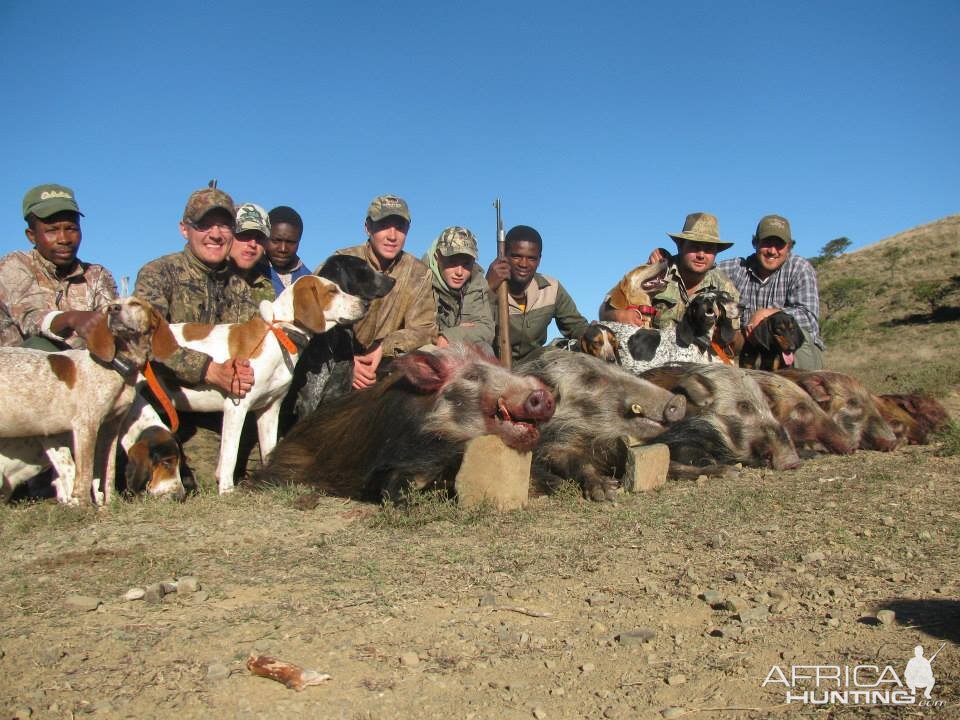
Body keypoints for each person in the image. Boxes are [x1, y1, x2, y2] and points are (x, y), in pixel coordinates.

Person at [134, 183, 256, 397]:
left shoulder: (242, 290)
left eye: (225, 225)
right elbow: (143, 338)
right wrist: (208, 370)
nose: (216, 234)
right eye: (204, 225)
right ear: (184, 229)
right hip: (166, 405)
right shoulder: (159, 273)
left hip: (226, 405)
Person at [324, 194, 436, 389]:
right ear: (368, 227)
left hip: (387, 364)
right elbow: (318, 320)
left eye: (400, 227)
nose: (392, 236)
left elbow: (424, 329)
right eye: (384, 225)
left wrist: (384, 346)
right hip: (338, 362)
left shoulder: (419, 273)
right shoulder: (341, 261)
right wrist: (346, 363)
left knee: (430, 355)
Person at [0, 184, 117, 350]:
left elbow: (112, 324)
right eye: (52, 230)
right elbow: (30, 318)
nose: (64, 239)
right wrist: (72, 318)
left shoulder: (96, 275)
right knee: (40, 344)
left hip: (84, 369)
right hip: (21, 370)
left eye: (71, 229)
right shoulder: (14, 265)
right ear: (31, 236)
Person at [717, 214, 825, 370]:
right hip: (751, 347)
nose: (772, 251)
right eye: (767, 243)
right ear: (755, 243)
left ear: (789, 247)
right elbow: (704, 270)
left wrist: (766, 314)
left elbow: (808, 318)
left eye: (779, 245)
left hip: (789, 351)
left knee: (798, 336)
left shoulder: (799, 268)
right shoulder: (734, 268)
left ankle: (801, 389)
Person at [599, 212, 739, 329]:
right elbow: (605, 310)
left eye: (709, 249)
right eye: (694, 246)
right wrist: (620, 316)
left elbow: (736, 337)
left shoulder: (725, 287)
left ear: (716, 253)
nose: (701, 255)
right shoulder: (655, 270)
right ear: (680, 246)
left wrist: (724, 329)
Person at [486, 224, 589, 363]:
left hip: (535, 365)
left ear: (539, 260)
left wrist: (596, 338)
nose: (523, 264)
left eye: (531, 258)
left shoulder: (552, 288)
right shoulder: (484, 288)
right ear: (504, 256)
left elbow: (576, 327)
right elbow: (472, 331)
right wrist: (488, 288)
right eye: (516, 256)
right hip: (491, 368)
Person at [422, 226, 495, 349]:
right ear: (437, 257)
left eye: (467, 264)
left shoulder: (476, 282)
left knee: (483, 349)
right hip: (425, 350)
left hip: (456, 349)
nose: (460, 272)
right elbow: (416, 331)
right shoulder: (420, 279)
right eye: (452, 262)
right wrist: (460, 332)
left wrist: (450, 336)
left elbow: (486, 329)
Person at [231, 203, 275, 306]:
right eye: (245, 234)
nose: (253, 244)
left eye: (260, 238)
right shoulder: (208, 279)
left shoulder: (265, 288)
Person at [265, 205, 311, 295]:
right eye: (276, 241)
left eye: (290, 242)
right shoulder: (250, 274)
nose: (283, 249)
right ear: (265, 237)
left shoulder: (309, 281)